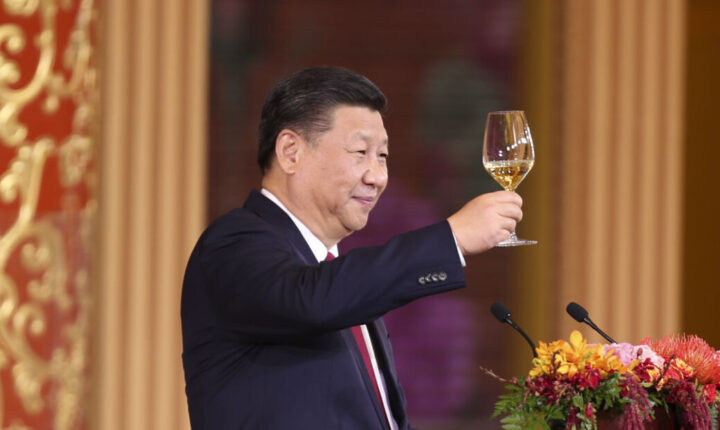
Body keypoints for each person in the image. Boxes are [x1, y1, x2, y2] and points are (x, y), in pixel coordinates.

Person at [181, 66, 523, 429]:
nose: (377, 177)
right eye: (361, 152)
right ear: (290, 152)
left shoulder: (340, 279)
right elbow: (310, 299)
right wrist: (451, 238)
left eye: (383, 156)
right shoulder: (231, 244)